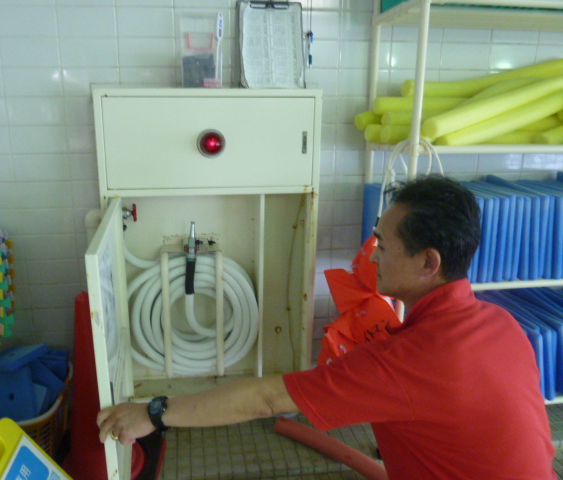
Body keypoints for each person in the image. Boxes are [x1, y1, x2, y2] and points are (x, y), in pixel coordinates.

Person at [97, 175, 556, 479]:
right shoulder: (501, 323)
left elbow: (266, 399)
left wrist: (153, 413)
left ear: (427, 263)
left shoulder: (410, 362)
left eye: (383, 245)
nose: (373, 255)